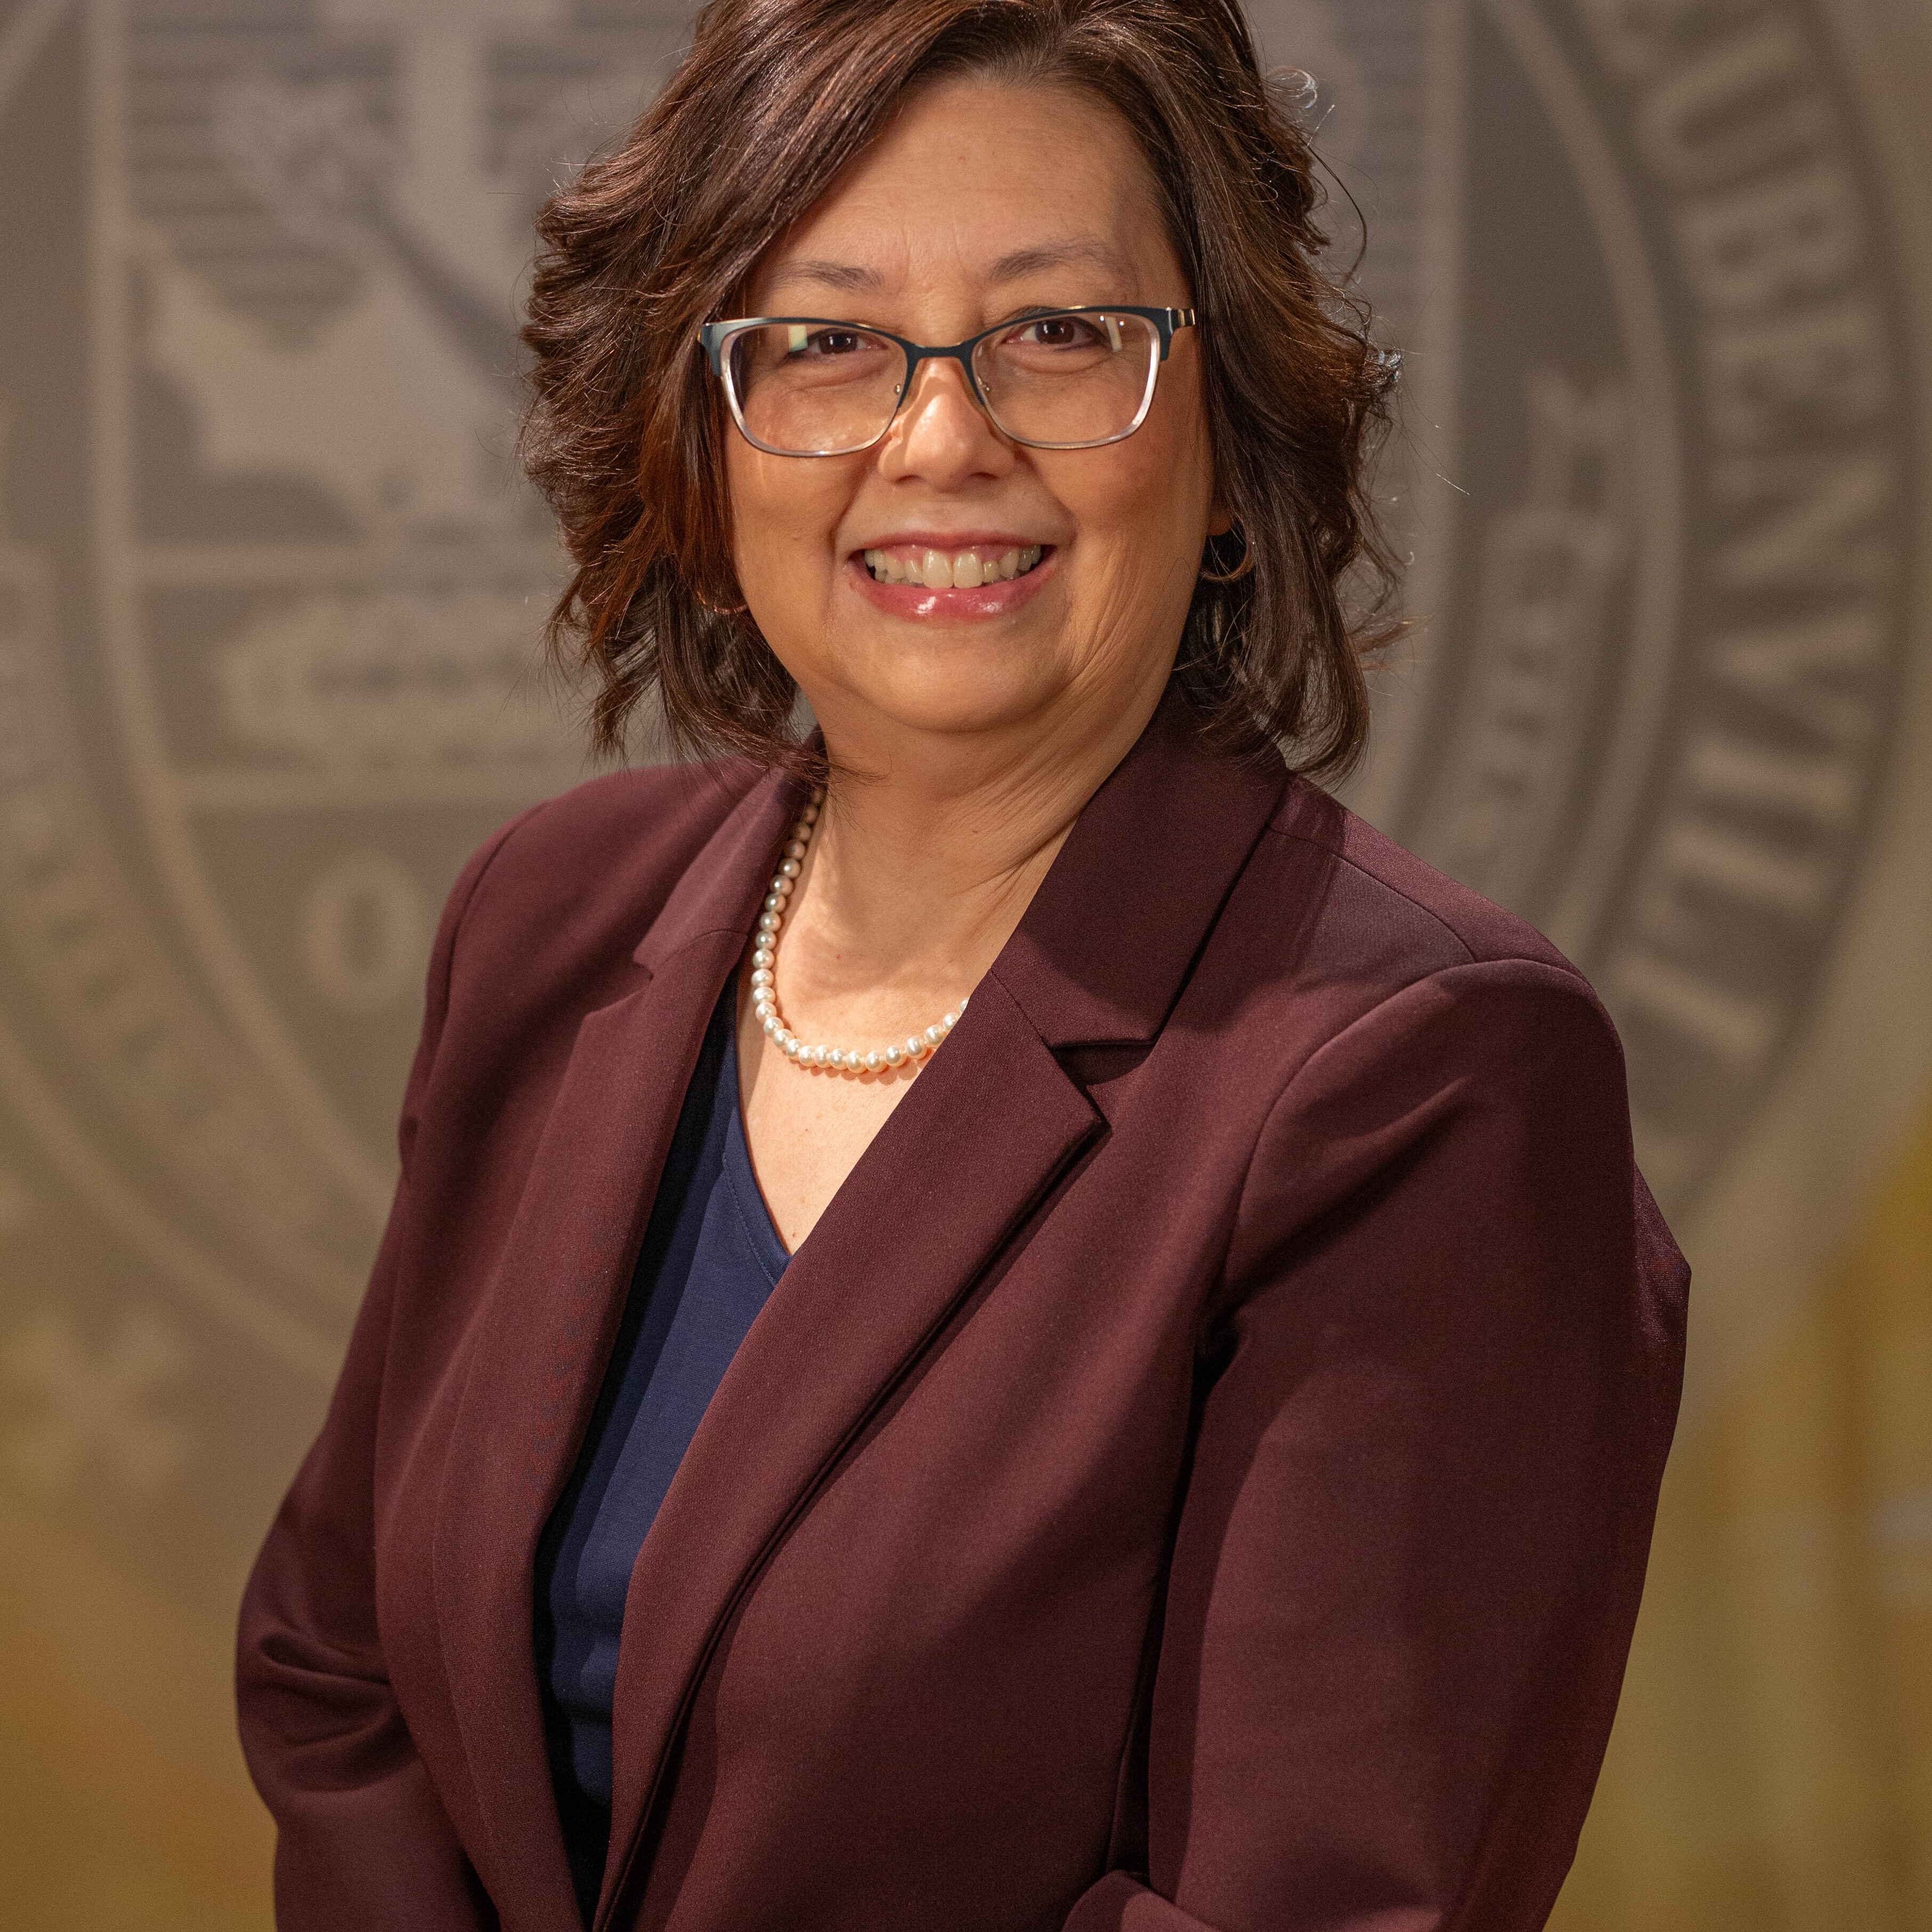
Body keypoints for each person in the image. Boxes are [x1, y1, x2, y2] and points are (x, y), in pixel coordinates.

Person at [236, 1, 1689, 1927]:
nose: (940, 439)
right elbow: (343, 1682)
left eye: (1061, 334)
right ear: (702, 425)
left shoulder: (1416, 1079)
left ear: (1227, 422)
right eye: (826, 342)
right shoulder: (550, 921)